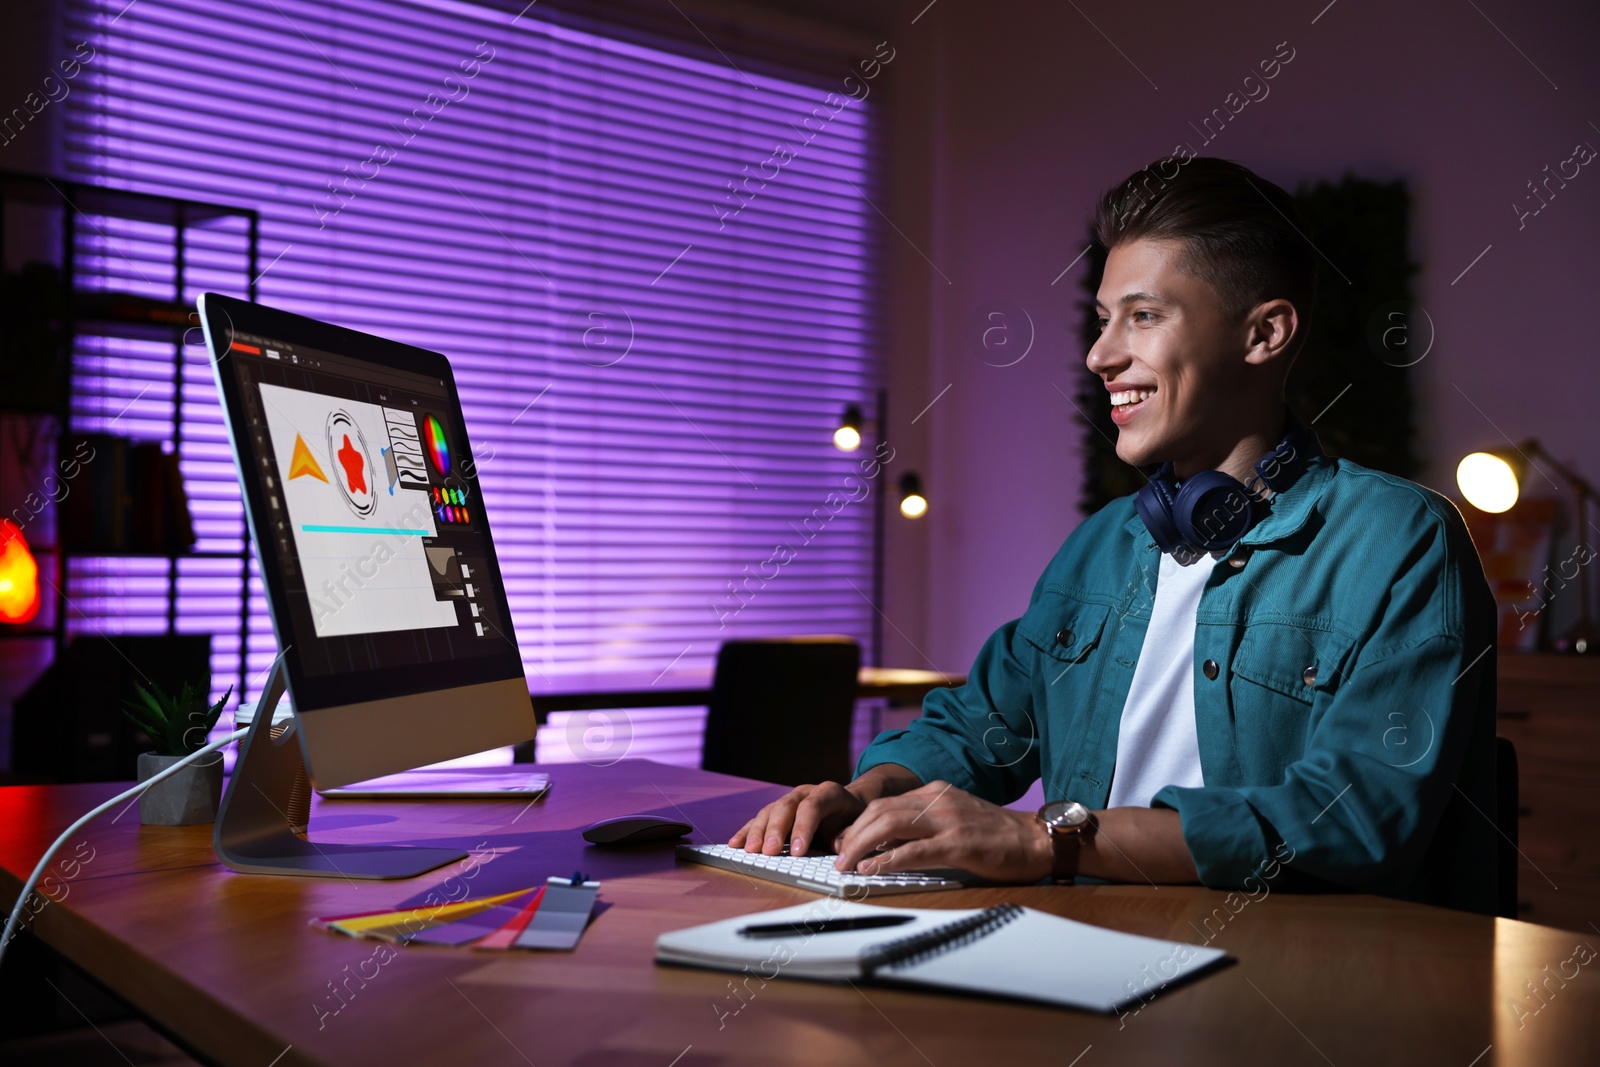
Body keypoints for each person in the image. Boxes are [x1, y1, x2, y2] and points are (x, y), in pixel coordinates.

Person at [731, 156, 1499, 914]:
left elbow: (1350, 817)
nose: (1100, 354)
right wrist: (863, 798)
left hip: (1290, 989)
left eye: (1144, 315)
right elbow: (982, 726)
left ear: (1264, 334)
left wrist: (1047, 839)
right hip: (1086, 957)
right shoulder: (1101, 545)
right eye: (1103, 320)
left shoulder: (1403, 543)